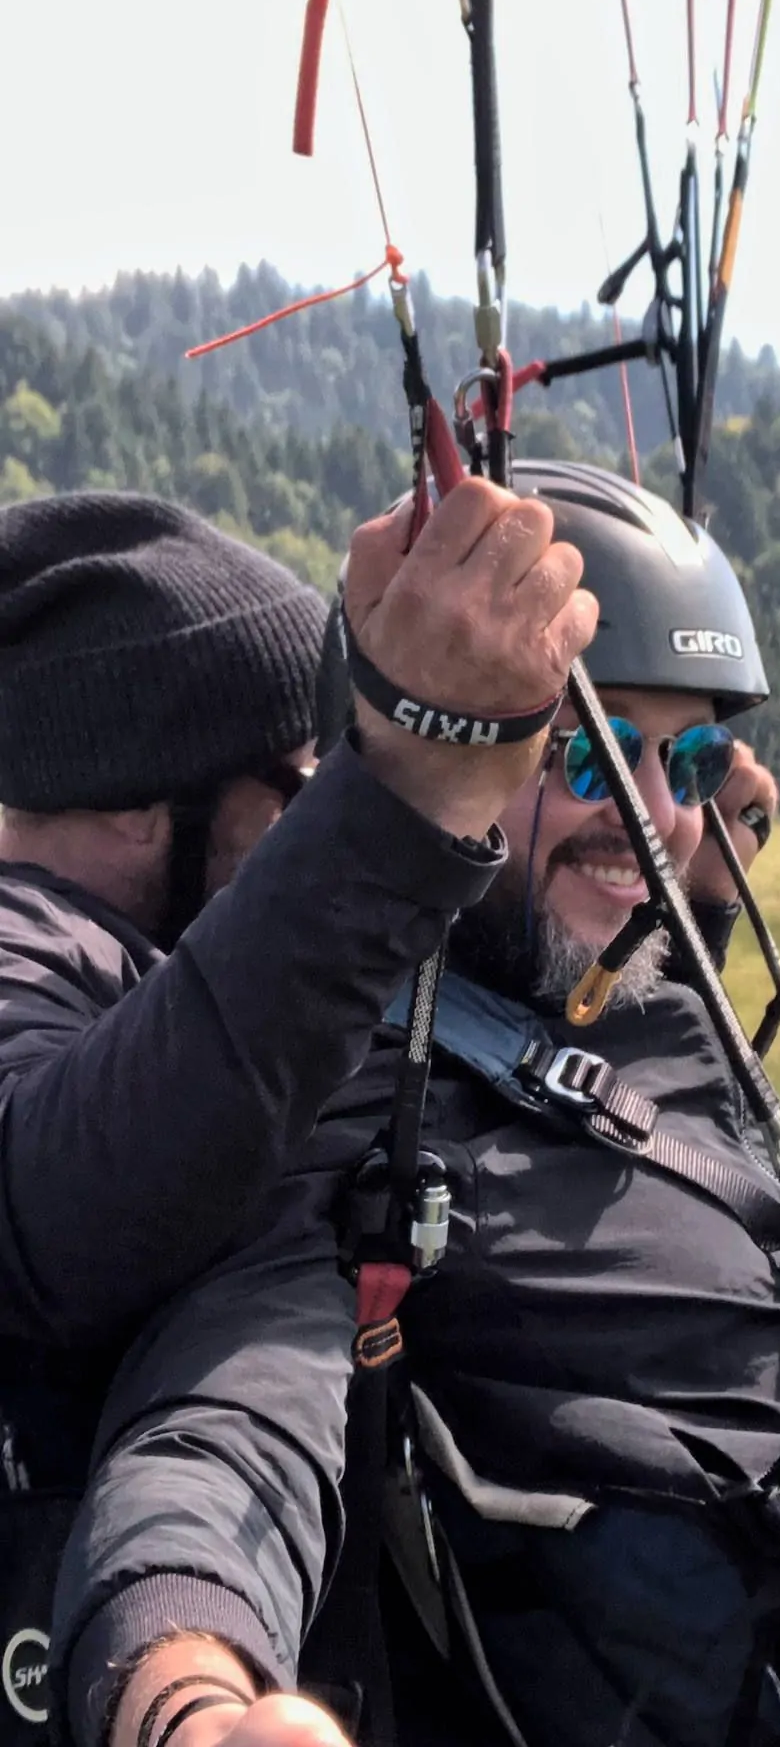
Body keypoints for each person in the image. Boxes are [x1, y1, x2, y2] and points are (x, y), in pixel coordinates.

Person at [46, 466, 780, 1747]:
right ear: (459, 760)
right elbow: (230, 1424)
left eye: (691, 755)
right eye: (590, 750)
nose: (652, 814)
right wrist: (185, 1694)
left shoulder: (666, 1013)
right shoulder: (374, 1102)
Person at [0, 479, 596, 1741]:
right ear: (132, 800)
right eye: (299, 791)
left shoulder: (182, 1034)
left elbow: (254, 1329)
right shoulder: (31, 959)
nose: (309, 822)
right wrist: (397, 804)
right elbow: (59, 1205)